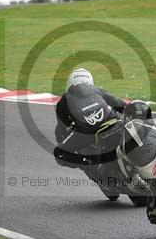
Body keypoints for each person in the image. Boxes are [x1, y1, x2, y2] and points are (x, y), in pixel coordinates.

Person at [53, 68, 127, 197]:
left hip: (87, 132)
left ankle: (88, 163)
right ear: (90, 81)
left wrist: (63, 141)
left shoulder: (64, 100)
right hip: (113, 121)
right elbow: (122, 105)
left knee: (59, 153)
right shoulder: (97, 90)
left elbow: (60, 128)